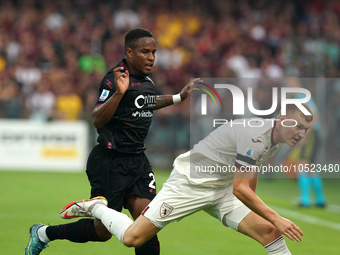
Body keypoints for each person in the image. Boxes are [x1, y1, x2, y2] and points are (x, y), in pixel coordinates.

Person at [25, 27, 201, 255]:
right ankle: (44, 233)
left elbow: (146, 101)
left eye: (154, 52)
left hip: (138, 161)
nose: (151, 57)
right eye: (145, 52)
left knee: (147, 224)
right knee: (102, 232)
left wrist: (178, 97)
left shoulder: (146, 79)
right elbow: (97, 119)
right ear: (129, 52)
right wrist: (119, 93)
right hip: (110, 162)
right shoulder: (114, 79)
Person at [57, 103, 313, 255]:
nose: (300, 133)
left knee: (268, 232)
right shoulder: (256, 135)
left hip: (222, 189)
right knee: (132, 239)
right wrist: (277, 216)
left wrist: (265, 217)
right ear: (281, 119)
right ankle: (96, 207)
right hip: (190, 184)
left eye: (305, 129)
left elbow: (247, 181)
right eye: (297, 126)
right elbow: (242, 188)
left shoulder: (276, 137)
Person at [281, 77, 326, 207]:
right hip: (313, 135)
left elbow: (315, 117)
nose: (290, 87)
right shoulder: (299, 98)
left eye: (292, 84)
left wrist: (305, 136)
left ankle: (305, 200)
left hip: (310, 135)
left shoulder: (302, 97)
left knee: (302, 165)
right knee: (309, 167)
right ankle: (320, 199)